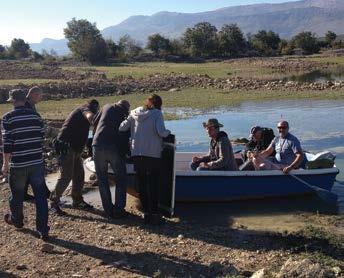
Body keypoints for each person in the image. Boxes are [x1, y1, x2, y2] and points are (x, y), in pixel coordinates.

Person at [2, 89, 49, 240]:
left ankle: (17, 221)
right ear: (25, 100)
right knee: (41, 197)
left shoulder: (8, 118)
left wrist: (5, 164)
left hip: (19, 164)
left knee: (16, 195)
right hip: (36, 162)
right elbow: (42, 135)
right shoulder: (36, 116)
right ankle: (43, 230)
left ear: (13, 101)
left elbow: (7, 144)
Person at [119, 94, 171, 225]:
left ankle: (146, 213)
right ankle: (154, 212)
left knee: (142, 183)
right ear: (158, 104)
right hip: (153, 154)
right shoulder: (157, 114)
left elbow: (122, 127)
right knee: (153, 183)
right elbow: (161, 131)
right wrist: (168, 133)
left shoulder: (134, 112)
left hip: (137, 153)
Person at [49, 99, 99, 215]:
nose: (95, 110)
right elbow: (90, 117)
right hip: (66, 147)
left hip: (75, 149)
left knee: (79, 175)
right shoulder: (84, 110)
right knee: (66, 176)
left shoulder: (85, 111)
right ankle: (53, 203)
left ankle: (77, 200)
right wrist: (99, 122)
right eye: (95, 108)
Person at [92, 100, 130, 219]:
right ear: (126, 109)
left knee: (102, 179)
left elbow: (94, 122)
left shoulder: (106, 106)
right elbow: (125, 135)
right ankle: (119, 210)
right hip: (112, 147)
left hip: (97, 146)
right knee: (121, 178)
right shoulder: (124, 116)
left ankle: (108, 210)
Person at [23, 86, 50, 201]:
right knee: (33, 169)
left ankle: (24, 193)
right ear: (34, 94)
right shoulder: (27, 105)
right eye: (40, 96)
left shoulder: (29, 104)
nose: (41, 98)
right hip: (28, 141)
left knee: (27, 169)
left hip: (28, 141)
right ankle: (44, 194)